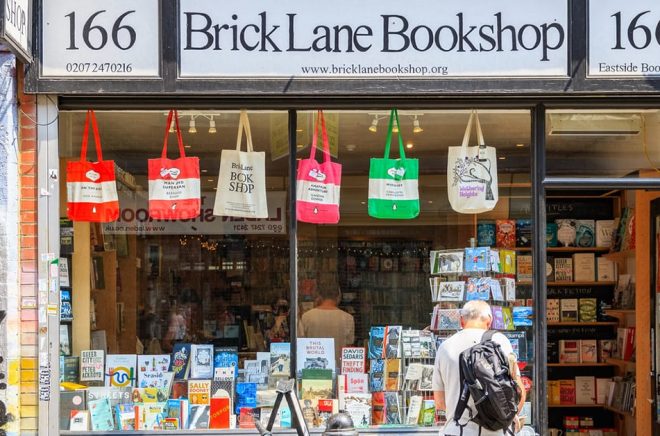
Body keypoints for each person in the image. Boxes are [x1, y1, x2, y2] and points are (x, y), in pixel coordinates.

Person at [432, 300, 526, 435]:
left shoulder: (445, 347)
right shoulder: (499, 341)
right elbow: (519, 391)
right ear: (489, 320)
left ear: (461, 321)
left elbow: (440, 402)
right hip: (496, 432)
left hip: (458, 430)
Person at [299, 288, 355, 364]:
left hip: (313, 368)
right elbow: (349, 345)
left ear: (319, 297)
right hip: (338, 367)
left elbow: (301, 343)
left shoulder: (306, 316)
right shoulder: (347, 318)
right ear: (338, 297)